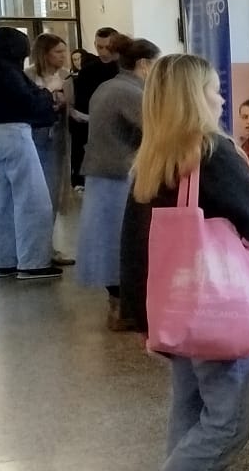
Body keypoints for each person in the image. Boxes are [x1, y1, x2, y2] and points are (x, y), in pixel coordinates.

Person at [118, 55, 249, 471]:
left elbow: (133, 243)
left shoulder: (153, 157)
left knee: (191, 415)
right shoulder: (212, 154)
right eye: (214, 90)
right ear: (195, 97)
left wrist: (140, 315)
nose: (221, 99)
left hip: (177, 309)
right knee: (227, 424)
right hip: (220, 308)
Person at [75, 36, 160, 328]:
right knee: (123, 242)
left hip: (103, 173)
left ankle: (119, 305)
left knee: (108, 241)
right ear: (144, 64)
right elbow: (156, 130)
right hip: (119, 174)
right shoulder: (130, 92)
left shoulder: (108, 87)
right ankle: (124, 308)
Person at [0, 27, 59, 281]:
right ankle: (33, 263)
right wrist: (48, 94)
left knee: (2, 202)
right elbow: (27, 102)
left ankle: (4, 260)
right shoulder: (9, 72)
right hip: (15, 134)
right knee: (33, 199)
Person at [24, 33, 74, 262]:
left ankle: (46, 246)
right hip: (34, 139)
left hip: (57, 140)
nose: (63, 56)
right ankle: (32, 248)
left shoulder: (66, 77)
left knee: (52, 194)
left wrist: (66, 105)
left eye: (64, 51)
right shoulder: (27, 76)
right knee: (33, 195)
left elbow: (72, 108)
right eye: (58, 52)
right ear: (44, 53)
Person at [70, 27, 122, 187]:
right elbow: (81, 103)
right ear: (94, 44)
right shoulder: (88, 70)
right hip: (92, 128)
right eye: (100, 47)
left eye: (108, 47)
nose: (104, 52)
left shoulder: (124, 68)